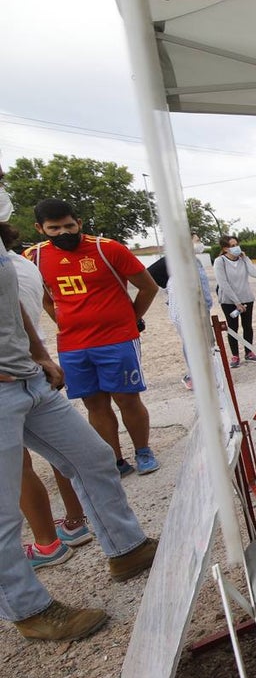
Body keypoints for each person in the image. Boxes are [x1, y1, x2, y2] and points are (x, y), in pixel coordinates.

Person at [1, 243, 158, 641]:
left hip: (28, 379)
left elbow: (10, 304)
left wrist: (38, 353)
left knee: (92, 457)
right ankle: (29, 610)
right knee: (4, 512)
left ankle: (127, 550)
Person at [25, 199, 161, 477]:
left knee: (126, 398)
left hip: (117, 339)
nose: (63, 232)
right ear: (40, 228)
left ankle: (143, 451)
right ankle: (115, 460)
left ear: (79, 223)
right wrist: (64, 322)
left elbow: (148, 287)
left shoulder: (107, 248)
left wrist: (131, 319)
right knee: (94, 403)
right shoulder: (33, 257)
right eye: (54, 228)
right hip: (73, 345)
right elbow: (46, 299)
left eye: (69, 225)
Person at [3, 222, 91, 567]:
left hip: (16, 372)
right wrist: (40, 353)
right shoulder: (24, 262)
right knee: (65, 453)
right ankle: (74, 520)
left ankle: (46, 542)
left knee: (20, 468)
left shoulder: (21, 262)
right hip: (32, 367)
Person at [146, 235, 213, 390]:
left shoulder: (194, 260)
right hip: (186, 312)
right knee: (192, 343)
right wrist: (168, 285)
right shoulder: (174, 261)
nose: (199, 243)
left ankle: (205, 373)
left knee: (203, 343)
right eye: (196, 240)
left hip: (201, 308)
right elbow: (150, 273)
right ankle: (193, 376)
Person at [213, 235, 256, 369]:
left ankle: (249, 352)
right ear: (225, 248)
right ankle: (235, 355)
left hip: (246, 298)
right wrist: (236, 301)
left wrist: (245, 258)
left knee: (247, 326)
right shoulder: (220, 261)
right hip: (229, 301)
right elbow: (223, 283)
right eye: (232, 246)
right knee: (232, 327)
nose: (236, 248)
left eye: (236, 244)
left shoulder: (242, 260)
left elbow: (255, 273)